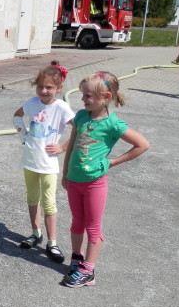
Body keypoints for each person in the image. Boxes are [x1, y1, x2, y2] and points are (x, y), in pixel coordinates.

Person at [61, 72, 149, 288]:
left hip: (94, 184)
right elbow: (71, 146)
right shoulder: (81, 116)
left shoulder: (113, 124)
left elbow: (142, 145)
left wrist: (112, 162)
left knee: (93, 227)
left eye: (88, 96)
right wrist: (65, 174)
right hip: (74, 181)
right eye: (83, 94)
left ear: (106, 97)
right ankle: (76, 258)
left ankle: (88, 271)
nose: (83, 99)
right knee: (77, 222)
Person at [13, 63, 75, 263]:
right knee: (32, 197)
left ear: (59, 88)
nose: (44, 91)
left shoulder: (62, 107)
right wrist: (23, 136)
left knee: (49, 202)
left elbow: (79, 128)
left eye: (49, 87)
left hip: (48, 163)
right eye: (40, 86)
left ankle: (52, 242)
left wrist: (63, 147)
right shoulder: (31, 103)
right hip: (30, 160)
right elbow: (17, 116)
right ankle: (35, 233)